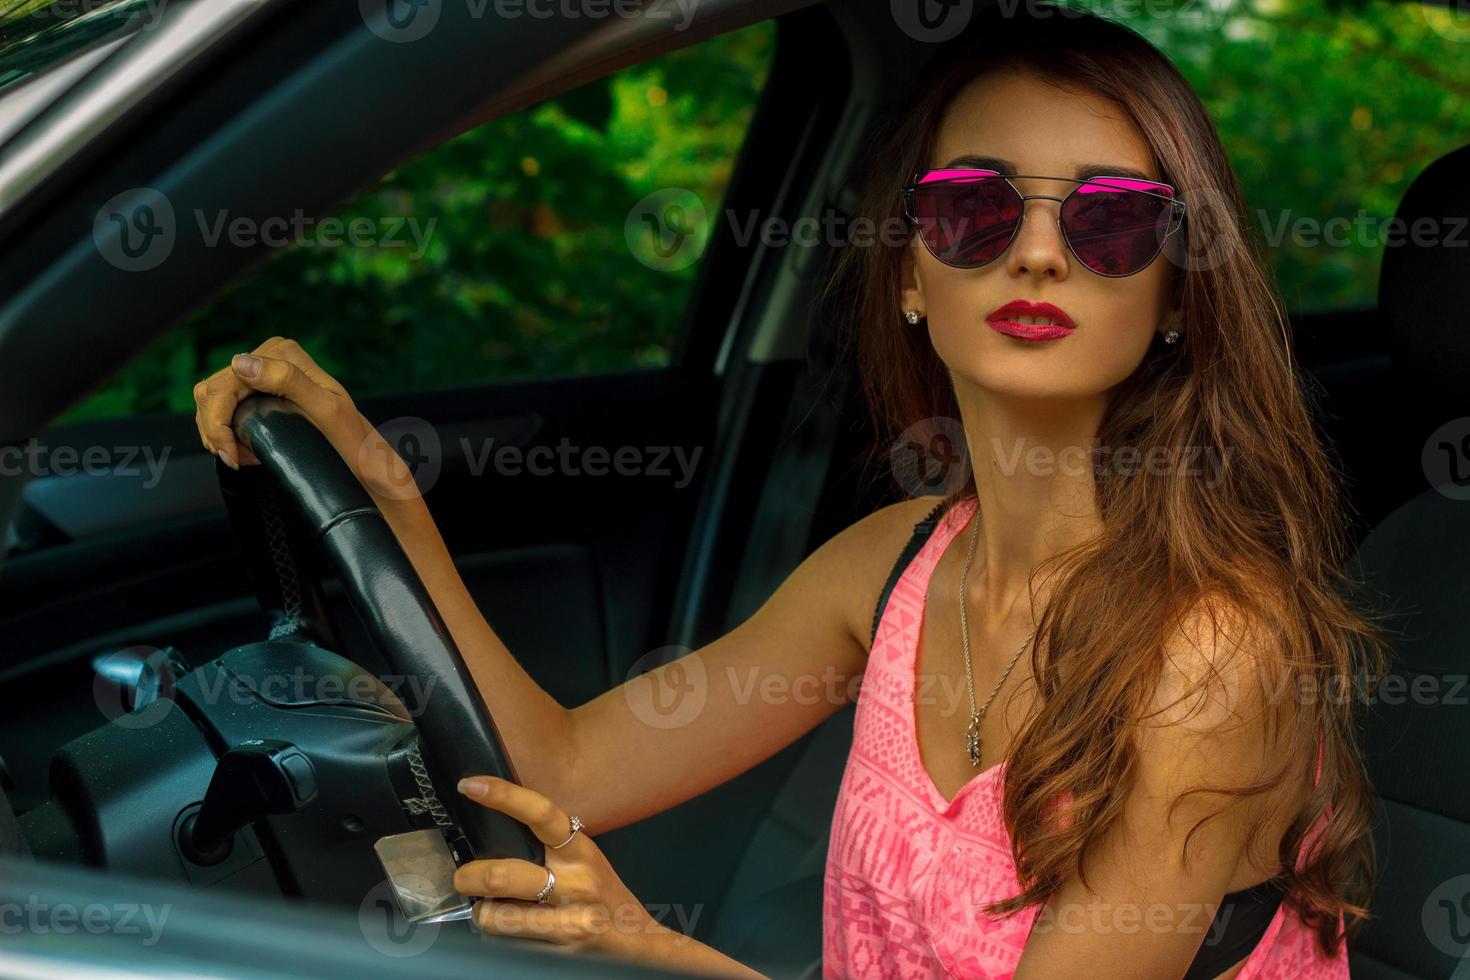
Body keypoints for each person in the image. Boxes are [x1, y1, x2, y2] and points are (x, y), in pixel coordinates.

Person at [191, 4, 1388, 977]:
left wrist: (653, 950)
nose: (1035, 251)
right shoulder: (896, 564)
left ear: (1179, 294)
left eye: (1113, 223)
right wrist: (387, 496)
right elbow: (563, 768)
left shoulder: (1215, 659)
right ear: (912, 273)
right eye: (972, 208)